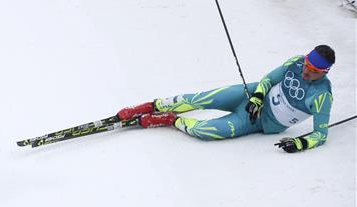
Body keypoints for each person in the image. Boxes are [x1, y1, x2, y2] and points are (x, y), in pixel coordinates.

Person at [118, 45, 335, 152]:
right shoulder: (296, 62)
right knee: (203, 98)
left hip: (260, 121)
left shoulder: (322, 96)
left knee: (207, 132)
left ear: (324, 72)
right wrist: (258, 97)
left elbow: (321, 135)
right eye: (306, 64)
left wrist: (301, 143)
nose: (306, 72)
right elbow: (269, 79)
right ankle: (152, 105)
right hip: (251, 97)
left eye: (313, 70)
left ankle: (169, 119)